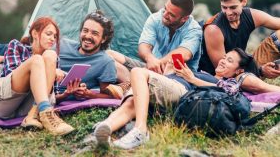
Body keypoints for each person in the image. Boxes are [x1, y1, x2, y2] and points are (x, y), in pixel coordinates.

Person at [93, 48, 280, 149]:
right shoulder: (205, 72)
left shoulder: (230, 81)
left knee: (137, 72)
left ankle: (141, 129)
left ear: (239, 70)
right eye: (224, 57)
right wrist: (169, 74)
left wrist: (192, 78)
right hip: (169, 86)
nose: (223, 60)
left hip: (183, 92)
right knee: (133, 102)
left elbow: (229, 93)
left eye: (229, 61)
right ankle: (105, 129)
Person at [0, 17, 74, 136]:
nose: (52, 39)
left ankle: (35, 113)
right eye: (49, 34)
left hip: (29, 107)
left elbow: (49, 95)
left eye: (55, 36)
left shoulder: (52, 60)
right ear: (35, 33)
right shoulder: (16, 46)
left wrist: (67, 93)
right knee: (37, 60)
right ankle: (44, 112)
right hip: (4, 102)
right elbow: (11, 74)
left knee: (50, 54)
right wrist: (47, 70)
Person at [107, 0, 202, 85]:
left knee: (139, 73)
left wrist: (156, 64)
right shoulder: (155, 18)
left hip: (177, 78)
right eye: (165, 9)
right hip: (151, 68)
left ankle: (130, 84)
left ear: (184, 19)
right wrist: (150, 59)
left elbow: (183, 54)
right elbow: (143, 46)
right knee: (109, 55)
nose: (164, 15)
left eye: (171, 15)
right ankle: (133, 84)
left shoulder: (194, 30)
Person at [199, 0, 280, 79]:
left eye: (233, 7)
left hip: (244, 68)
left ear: (244, 1)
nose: (228, 12)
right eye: (224, 7)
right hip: (224, 79)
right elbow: (225, 72)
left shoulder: (251, 15)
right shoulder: (213, 29)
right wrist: (261, 71)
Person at [55, 10, 129, 101]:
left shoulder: (105, 62)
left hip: (61, 98)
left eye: (94, 33)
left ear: (103, 39)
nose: (88, 36)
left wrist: (89, 94)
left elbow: (109, 95)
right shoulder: (62, 45)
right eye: (85, 31)